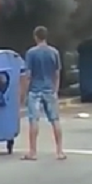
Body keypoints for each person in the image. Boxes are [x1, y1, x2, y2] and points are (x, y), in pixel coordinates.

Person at [21, 26, 66, 160]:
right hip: (49, 89)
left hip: (35, 90)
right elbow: (57, 73)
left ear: (35, 37)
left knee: (33, 120)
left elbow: (28, 75)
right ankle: (59, 151)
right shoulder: (54, 52)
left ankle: (33, 152)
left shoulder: (31, 53)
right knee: (55, 120)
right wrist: (55, 90)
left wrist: (23, 93)